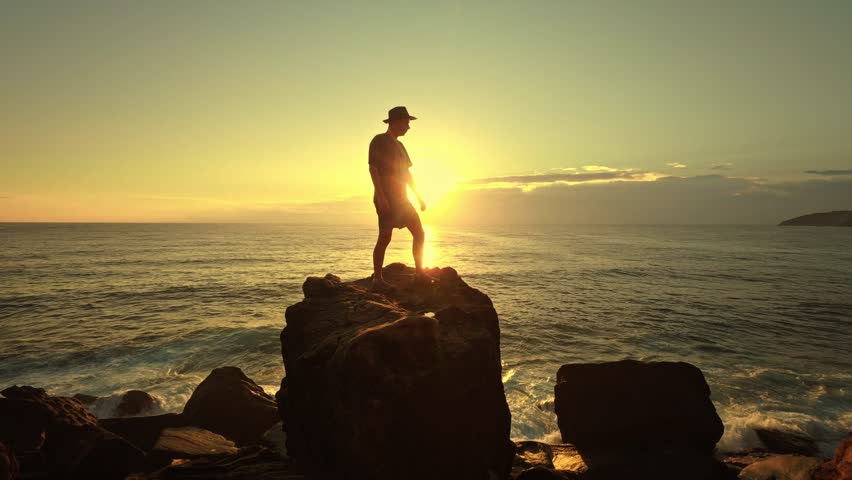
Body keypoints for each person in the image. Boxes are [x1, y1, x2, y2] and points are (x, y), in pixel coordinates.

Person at [368, 106, 430, 290]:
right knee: (385, 237)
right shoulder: (379, 140)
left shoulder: (401, 146)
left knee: (419, 232)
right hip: (387, 196)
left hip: (403, 199)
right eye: (406, 123)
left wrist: (419, 197)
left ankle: (420, 273)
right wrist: (380, 195)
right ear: (395, 122)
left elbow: (407, 174)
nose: (408, 127)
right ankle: (377, 279)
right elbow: (373, 168)